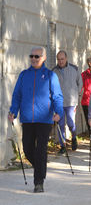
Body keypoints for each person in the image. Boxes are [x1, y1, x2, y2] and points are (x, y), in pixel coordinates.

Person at [8, 46, 63, 193]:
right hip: (27, 118)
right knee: (27, 148)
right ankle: (41, 167)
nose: (33, 59)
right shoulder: (24, 75)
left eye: (36, 56)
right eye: (31, 56)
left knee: (40, 150)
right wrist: (13, 110)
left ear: (43, 58)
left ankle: (39, 182)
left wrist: (59, 112)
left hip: (45, 118)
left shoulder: (51, 75)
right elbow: (17, 95)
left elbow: (57, 96)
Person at [52, 50, 83, 154]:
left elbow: (80, 83)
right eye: (59, 59)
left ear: (66, 58)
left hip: (71, 102)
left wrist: (76, 94)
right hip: (59, 103)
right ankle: (63, 146)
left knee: (70, 122)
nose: (60, 61)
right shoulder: (54, 71)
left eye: (62, 59)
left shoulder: (74, 69)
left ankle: (74, 138)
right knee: (60, 125)